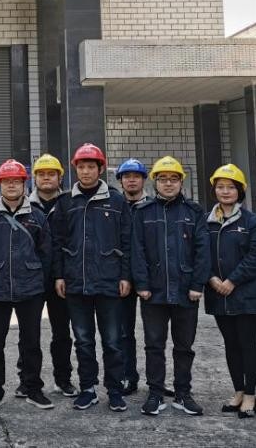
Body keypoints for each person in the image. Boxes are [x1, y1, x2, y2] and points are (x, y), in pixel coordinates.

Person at [52, 144, 131, 412]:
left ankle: (115, 390)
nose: (86, 172)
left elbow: (127, 241)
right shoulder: (65, 202)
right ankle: (88, 388)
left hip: (109, 282)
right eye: (81, 167)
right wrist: (59, 275)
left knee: (113, 341)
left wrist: (125, 275)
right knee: (83, 341)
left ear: (100, 169)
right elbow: (57, 242)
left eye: (91, 167)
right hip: (76, 283)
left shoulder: (117, 201)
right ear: (75, 169)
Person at [0, 159, 52, 413]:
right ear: (0, 185)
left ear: (24, 184)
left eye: (16, 181)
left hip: (31, 288)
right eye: (6, 181)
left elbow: (46, 253)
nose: (11, 185)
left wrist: (43, 285)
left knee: (31, 342)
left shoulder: (37, 215)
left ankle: (32, 387)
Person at [131, 156, 209, 416]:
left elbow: (202, 251)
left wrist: (197, 284)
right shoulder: (143, 212)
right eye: (163, 179)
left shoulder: (194, 212)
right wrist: (142, 284)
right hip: (153, 292)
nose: (168, 183)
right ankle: (155, 393)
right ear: (155, 183)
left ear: (181, 182)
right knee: (154, 345)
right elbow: (137, 251)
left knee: (184, 346)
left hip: (187, 291)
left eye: (173, 179)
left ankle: (183, 394)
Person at [203, 164, 256, 419]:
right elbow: (200, 253)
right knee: (231, 344)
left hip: (246, 293)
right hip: (218, 293)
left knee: (247, 343)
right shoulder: (206, 222)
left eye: (231, 187)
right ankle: (238, 391)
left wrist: (232, 280)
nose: (225, 191)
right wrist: (211, 278)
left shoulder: (252, 221)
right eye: (220, 187)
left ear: (240, 190)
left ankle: (251, 395)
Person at [26, 154, 77, 399]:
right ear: (34, 178)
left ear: (60, 177)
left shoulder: (70, 204)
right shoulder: (24, 205)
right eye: (41, 174)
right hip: (32, 280)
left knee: (62, 333)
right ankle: (27, 381)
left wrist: (63, 274)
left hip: (62, 280)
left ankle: (63, 379)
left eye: (51, 174)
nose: (46, 178)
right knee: (29, 334)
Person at [114, 158, 152, 396]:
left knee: (155, 335)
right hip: (122, 278)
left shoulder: (154, 206)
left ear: (143, 180)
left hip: (150, 277)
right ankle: (127, 376)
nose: (131, 180)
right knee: (123, 332)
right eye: (126, 176)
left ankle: (157, 379)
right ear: (120, 181)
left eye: (136, 176)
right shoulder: (115, 206)